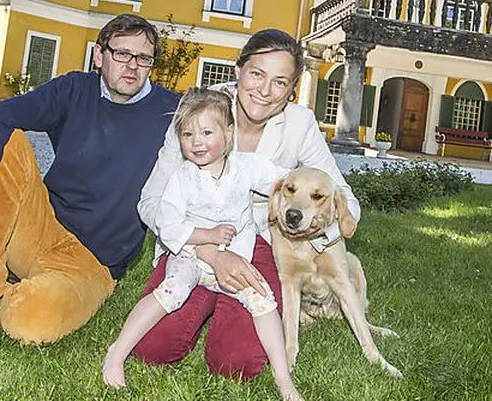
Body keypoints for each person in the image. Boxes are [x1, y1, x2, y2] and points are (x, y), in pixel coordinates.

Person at [0, 14, 180, 344]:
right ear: (99, 55)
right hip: (43, 225)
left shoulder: (172, 113)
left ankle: (11, 281)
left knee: (32, 323)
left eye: (143, 58)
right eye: (121, 53)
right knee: (7, 140)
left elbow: (223, 129)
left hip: (93, 262)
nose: (132, 66)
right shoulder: (74, 89)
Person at [134, 29, 361, 379]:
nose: (265, 91)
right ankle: (206, 295)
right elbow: (151, 201)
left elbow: (344, 198)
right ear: (238, 69)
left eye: (280, 82)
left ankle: (229, 302)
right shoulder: (200, 111)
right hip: (193, 245)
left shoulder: (299, 123)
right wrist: (211, 252)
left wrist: (320, 220)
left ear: (291, 89)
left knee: (237, 364)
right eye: (257, 74)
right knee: (153, 348)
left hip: (259, 246)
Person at [102, 88, 302, 401]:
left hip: (235, 257)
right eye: (188, 133)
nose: (197, 141)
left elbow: (285, 180)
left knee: (263, 298)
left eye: (207, 132)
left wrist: (307, 189)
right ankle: (116, 353)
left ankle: (283, 378)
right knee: (172, 291)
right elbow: (169, 225)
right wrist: (206, 236)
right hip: (190, 255)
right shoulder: (183, 178)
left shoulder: (246, 167)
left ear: (229, 133)